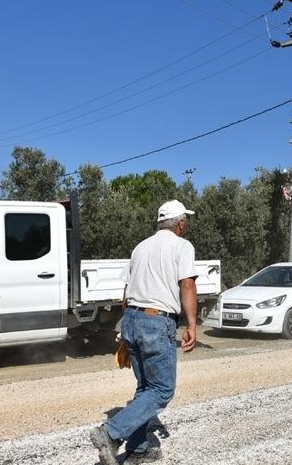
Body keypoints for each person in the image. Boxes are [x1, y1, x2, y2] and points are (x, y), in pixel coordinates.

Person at [90, 199, 199, 465]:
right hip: (156, 321)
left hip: (131, 317)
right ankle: (110, 433)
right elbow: (187, 285)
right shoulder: (182, 246)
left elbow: (126, 293)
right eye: (185, 221)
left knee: (145, 388)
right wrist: (191, 325)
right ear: (180, 223)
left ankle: (138, 450)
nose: (185, 225)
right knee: (162, 390)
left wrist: (130, 327)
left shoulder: (140, 247)